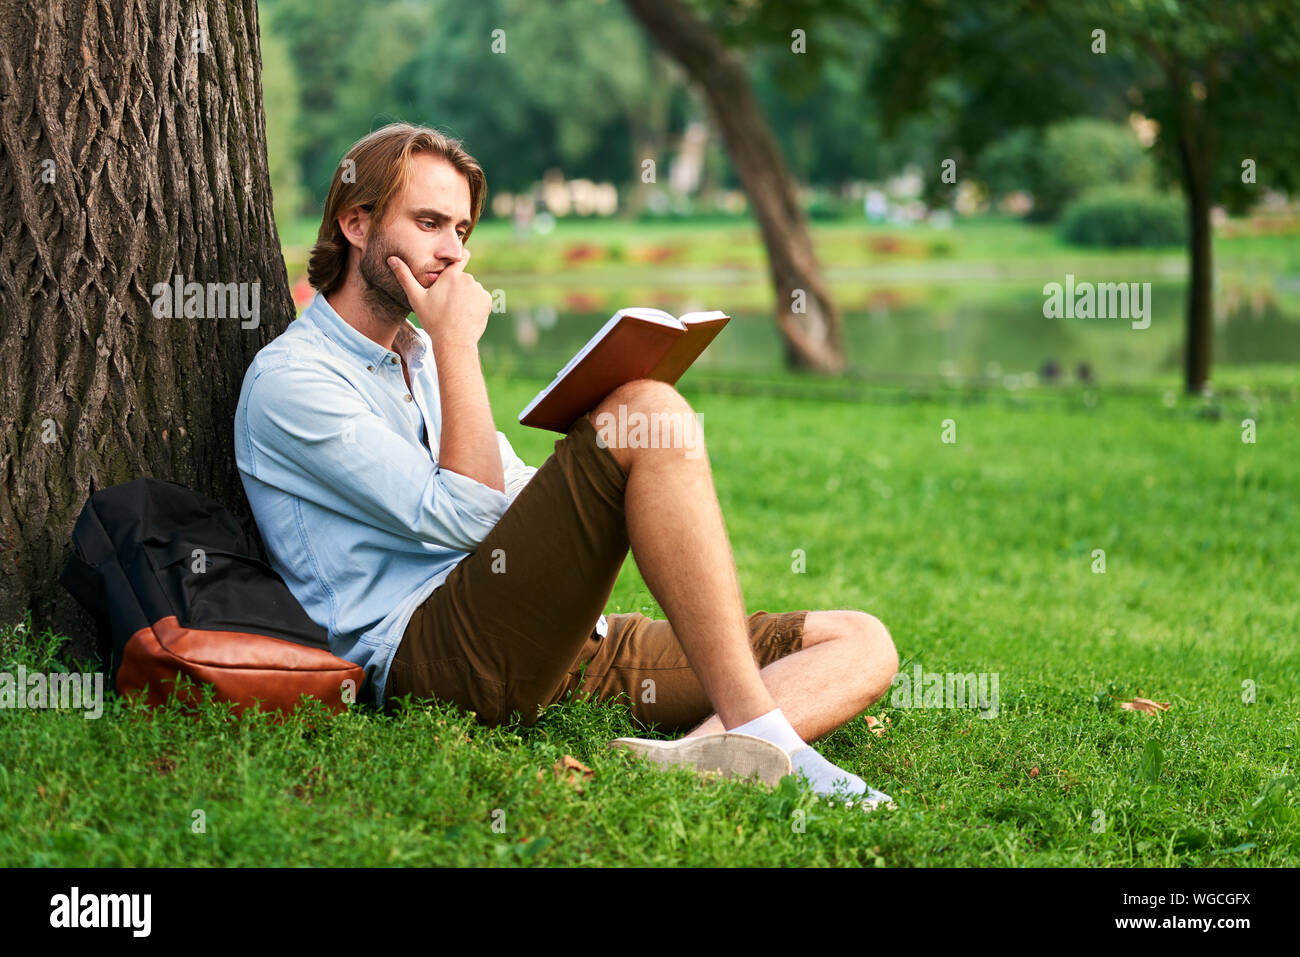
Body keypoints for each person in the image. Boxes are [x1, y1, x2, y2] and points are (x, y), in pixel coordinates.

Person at [234, 123, 899, 806]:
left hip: (553, 641)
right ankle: (768, 734)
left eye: (461, 230)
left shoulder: (419, 354)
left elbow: (510, 487)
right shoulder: (295, 381)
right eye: (429, 223)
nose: (452, 254)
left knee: (860, 640)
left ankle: (699, 753)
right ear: (355, 222)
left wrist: (576, 466)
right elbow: (471, 516)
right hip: (433, 657)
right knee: (651, 410)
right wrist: (461, 344)